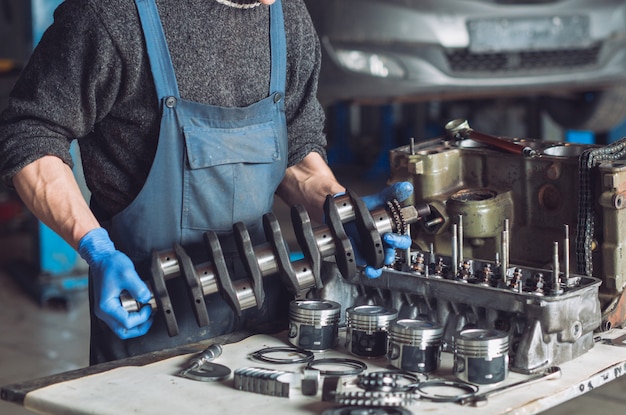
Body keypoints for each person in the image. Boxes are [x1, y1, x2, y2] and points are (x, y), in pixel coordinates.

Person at [0, 0, 412, 363]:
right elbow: (30, 132)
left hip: (267, 312)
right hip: (149, 311)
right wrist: (95, 247)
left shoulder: (287, 16)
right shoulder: (111, 14)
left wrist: (340, 211)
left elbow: (296, 149)